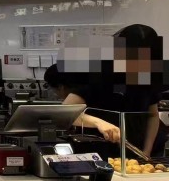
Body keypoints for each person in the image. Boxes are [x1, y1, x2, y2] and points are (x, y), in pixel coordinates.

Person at [47, 24, 167, 157]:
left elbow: (152, 115)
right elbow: (65, 113)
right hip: (97, 153)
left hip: (135, 153)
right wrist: (98, 123)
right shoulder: (98, 74)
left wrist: (147, 151)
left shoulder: (148, 77)